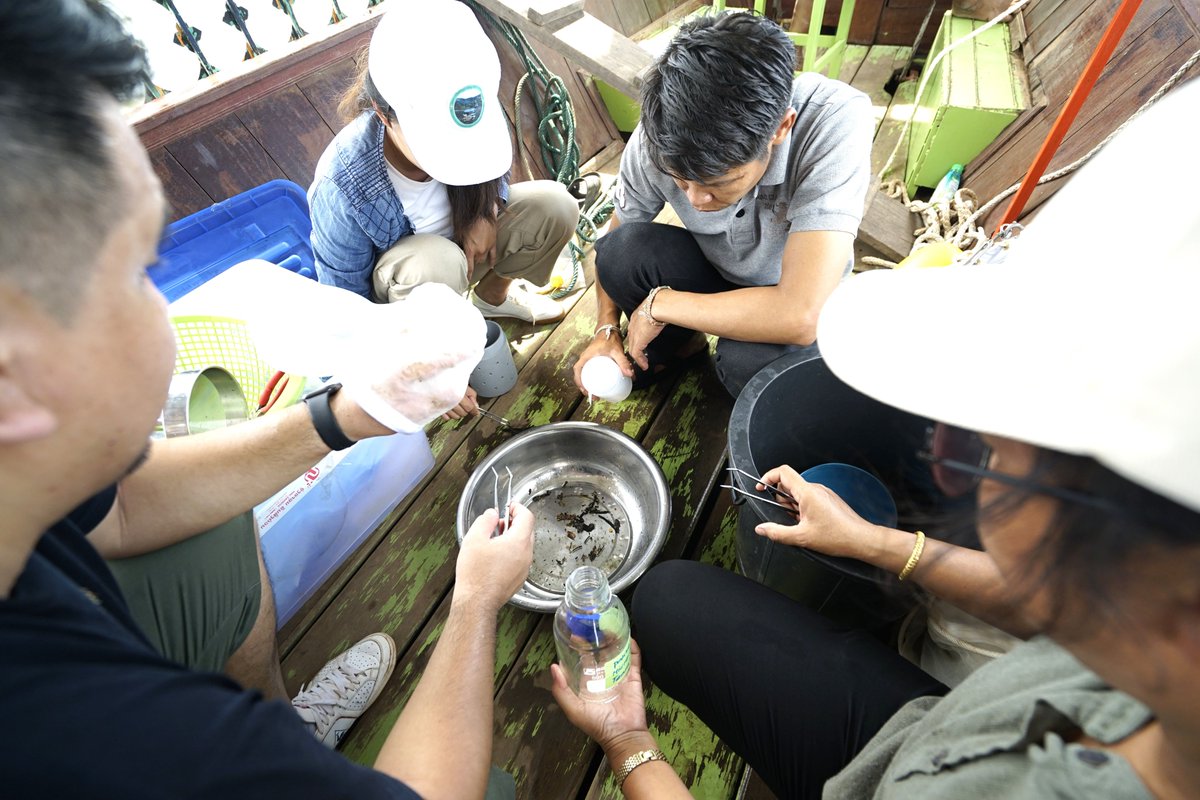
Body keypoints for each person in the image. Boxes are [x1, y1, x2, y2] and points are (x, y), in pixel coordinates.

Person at [551, 77, 1200, 798]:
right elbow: (1049, 594)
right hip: (940, 726)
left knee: (679, 557)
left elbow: (800, 314)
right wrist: (878, 543)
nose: (964, 467)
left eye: (984, 459)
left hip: (915, 755)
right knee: (668, 599)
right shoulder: (1141, 627)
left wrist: (627, 739)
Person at [0, 2, 532, 798]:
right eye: (133, 269)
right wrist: (476, 599)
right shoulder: (97, 737)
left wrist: (345, 415)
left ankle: (282, 714)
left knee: (209, 526)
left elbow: (116, 512)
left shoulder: (28, 485)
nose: (163, 304)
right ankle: (283, 740)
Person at [571, 11, 873, 398]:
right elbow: (617, 231)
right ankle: (680, 346)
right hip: (714, 273)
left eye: (719, 183)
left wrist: (659, 304)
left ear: (781, 127)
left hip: (790, 289)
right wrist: (606, 328)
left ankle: (693, 333)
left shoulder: (834, 120)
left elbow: (802, 313)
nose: (695, 200)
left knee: (747, 368)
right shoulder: (661, 131)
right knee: (619, 252)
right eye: (681, 181)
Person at [308, 0, 578, 326]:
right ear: (382, 113)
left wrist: (487, 211)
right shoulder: (342, 185)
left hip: (467, 251)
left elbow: (494, 167)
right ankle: (439, 342)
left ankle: (492, 298)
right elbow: (345, 302)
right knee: (437, 263)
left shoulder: (470, 103)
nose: (460, 156)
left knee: (556, 207)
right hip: (407, 295)